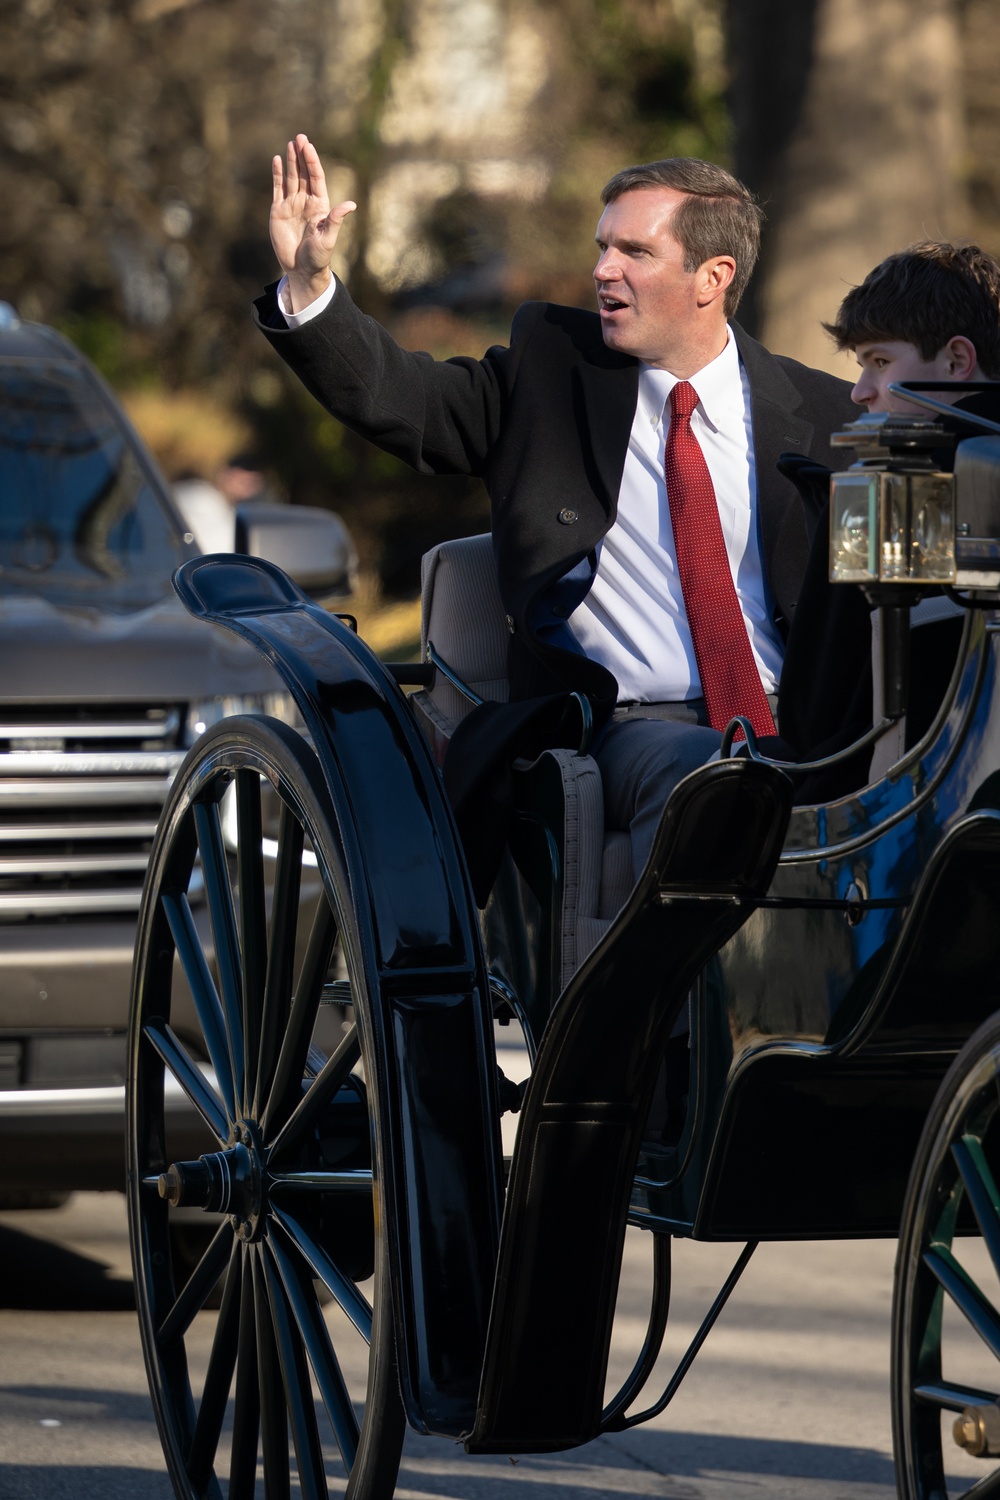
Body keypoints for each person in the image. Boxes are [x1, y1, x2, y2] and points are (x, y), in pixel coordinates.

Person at [253, 134, 857, 897]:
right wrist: (311, 288)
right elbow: (407, 403)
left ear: (714, 277)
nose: (603, 270)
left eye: (634, 251)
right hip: (632, 731)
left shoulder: (824, 416)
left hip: (794, 721)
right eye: (603, 247)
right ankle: (676, 1017)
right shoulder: (548, 373)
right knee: (708, 778)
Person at [776, 242, 1000, 796]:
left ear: (955, 360)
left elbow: (813, 718)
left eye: (879, 361)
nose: (859, 391)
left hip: (915, 815)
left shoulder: (887, 486)